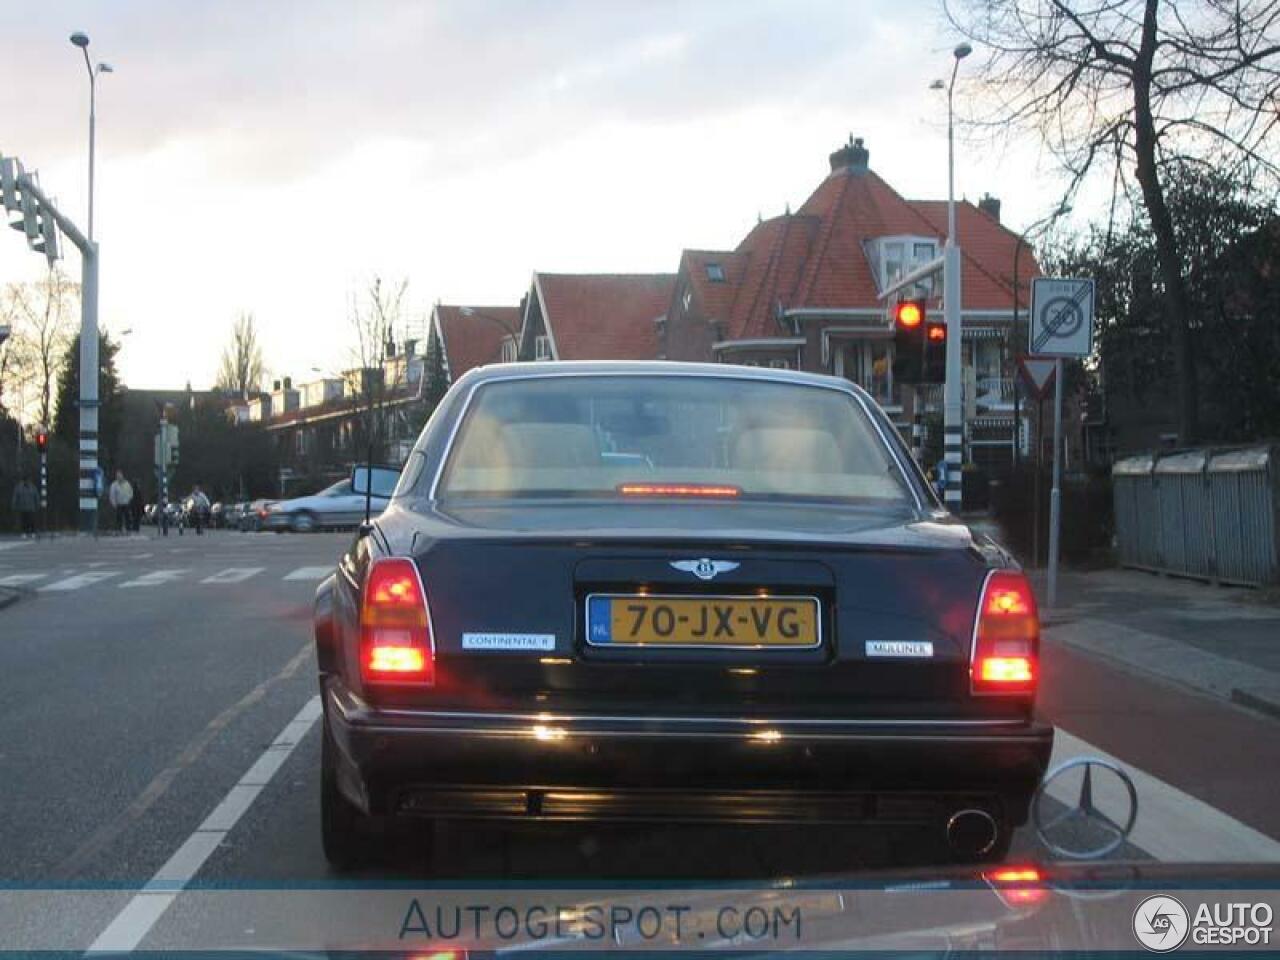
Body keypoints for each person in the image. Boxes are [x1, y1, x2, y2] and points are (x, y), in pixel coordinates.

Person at [108, 470, 134, 535]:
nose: (119, 477)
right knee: (118, 518)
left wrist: (129, 499)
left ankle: (128, 530)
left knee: (127, 517)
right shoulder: (114, 485)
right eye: (117, 476)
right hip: (118, 504)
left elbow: (130, 492)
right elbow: (112, 495)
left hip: (126, 503)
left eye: (120, 475)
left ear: (122, 476)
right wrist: (113, 503)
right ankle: (119, 530)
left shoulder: (127, 484)